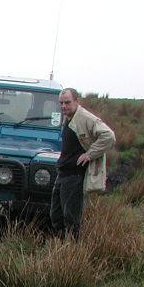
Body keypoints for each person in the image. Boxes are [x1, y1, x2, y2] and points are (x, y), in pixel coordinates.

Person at [51, 88, 115, 239]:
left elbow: (109, 136)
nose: (64, 106)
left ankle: (71, 252)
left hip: (76, 175)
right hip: (63, 172)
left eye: (67, 102)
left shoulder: (85, 117)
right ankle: (60, 249)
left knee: (71, 218)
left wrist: (90, 154)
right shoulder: (68, 118)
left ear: (76, 101)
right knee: (56, 215)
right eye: (61, 103)